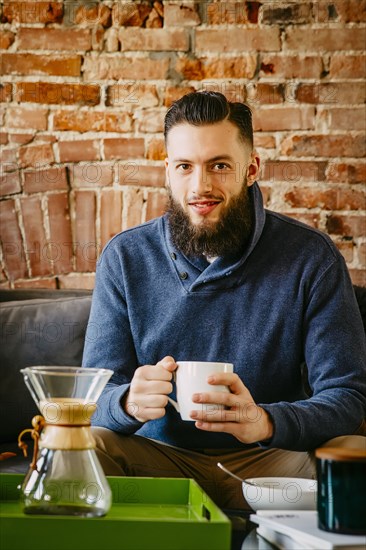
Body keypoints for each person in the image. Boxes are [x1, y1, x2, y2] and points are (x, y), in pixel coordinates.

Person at [82, 91, 366, 510]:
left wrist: (264, 421)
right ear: (168, 172)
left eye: (218, 165)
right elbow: (91, 400)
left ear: (251, 169)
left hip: (270, 463)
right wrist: (125, 402)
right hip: (156, 459)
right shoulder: (125, 258)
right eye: (185, 167)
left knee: (354, 450)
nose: (200, 186)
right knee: (83, 445)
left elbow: (347, 396)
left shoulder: (311, 258)